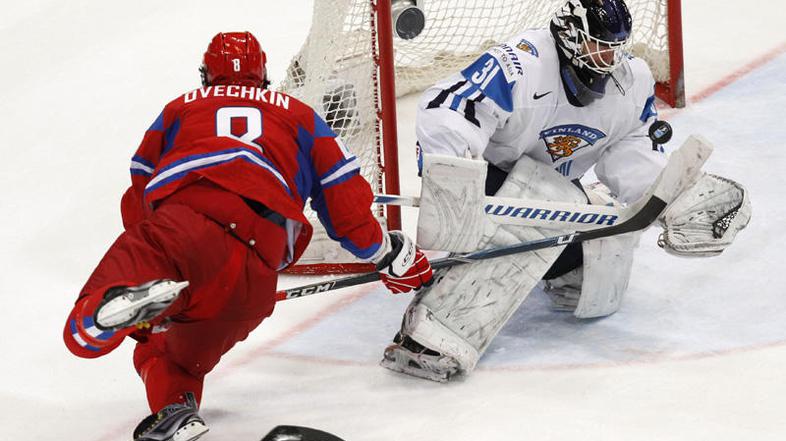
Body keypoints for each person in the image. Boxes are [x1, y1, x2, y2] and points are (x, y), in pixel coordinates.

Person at [63, 31, 433, 441]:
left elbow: (139, 191)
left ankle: (105, 320)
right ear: (265, 76)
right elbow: (344, 204)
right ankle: (177, 416)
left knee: (131, 340)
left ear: (206, 76)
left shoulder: (179, 110)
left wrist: (160, 259)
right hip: (256, 268)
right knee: (186, 362)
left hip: (184, 228)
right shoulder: (300, 114)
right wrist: (388, 254)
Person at [380, 0, 748, 382]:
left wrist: (676, 197)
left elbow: (632, 150)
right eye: (599, 45)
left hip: (551, 192)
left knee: (599, 268)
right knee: (540, 200)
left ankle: (559, 250)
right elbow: (448, 106)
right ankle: (432, 332)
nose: (610, 57)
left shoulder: (631, 82)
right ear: (570, 37)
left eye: (615, 47)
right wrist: (455, 184)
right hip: (488, 185)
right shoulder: (522, 63)